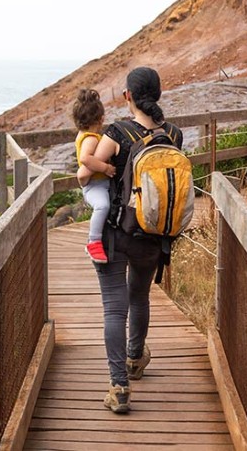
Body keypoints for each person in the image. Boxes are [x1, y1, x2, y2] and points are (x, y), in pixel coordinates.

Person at [85, 66, 183, 414]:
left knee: (114, 307)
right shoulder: (174, 134)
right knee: (139, 296)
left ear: (128, 96)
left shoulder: (117, 132)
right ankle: (135, 358)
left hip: (116, 233)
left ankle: (119, 387)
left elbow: (88, 168)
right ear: (158, 93)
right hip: (154, 236)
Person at [71, 89, 117, 263]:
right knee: (102, 206)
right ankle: (94, 241)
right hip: (95, 185)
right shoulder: (91, 138)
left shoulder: (83, 135)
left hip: (98, 184)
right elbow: (85, 159)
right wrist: (105, 168)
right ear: (100, 118)